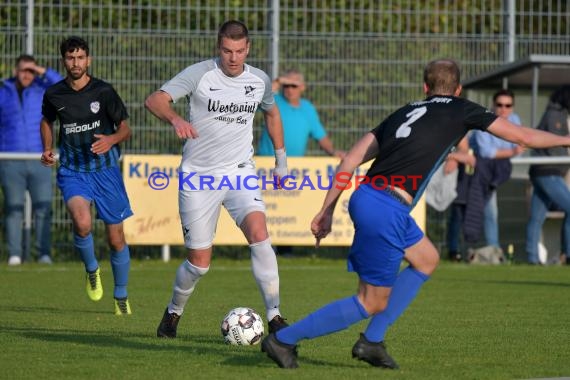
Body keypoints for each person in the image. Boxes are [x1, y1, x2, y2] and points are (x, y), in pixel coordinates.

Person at [260, 59, 570, 369]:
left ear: (425, 88)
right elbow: (524, 137)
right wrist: (565, 140)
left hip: (369, 198)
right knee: (371, 300)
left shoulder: (404, 112)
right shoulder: (463, 108)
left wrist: (327, 209)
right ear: (458, 90)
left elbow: (350, 160)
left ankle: (372, 342)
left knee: (426, 259)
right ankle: (283, 340)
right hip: (386, 207)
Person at [144, 20, 289, 338]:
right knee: (199, 263)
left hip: (239, 173)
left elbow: (272, 113)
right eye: (227, 50)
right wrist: (175, 117)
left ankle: (276, 317)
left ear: (248, 48)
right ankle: (173, 312)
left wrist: (281, 161)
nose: (233, 58)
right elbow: (155, 99)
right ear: (218, 47)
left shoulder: (259, 80)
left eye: (239, 51)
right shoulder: (200, 74)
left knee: (260, 234)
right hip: (198, 177)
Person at [40, 36, 133, 315]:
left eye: (80, 57)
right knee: (82, 223)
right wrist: (47, 148)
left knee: (116, 240)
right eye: (70, 58)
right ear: (64, 61)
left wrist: (112, 139)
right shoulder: (54, 94)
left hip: (105, 171)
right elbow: (46, 120)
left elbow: (126, 128)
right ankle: (92, 269)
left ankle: (121, 295)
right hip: (73, 171)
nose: (76, 63)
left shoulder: (103, 91)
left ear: (88, 60)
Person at [0, 54, 62, 266]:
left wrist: (42, 70)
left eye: (30, 70)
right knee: (13, 207)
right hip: (10, 159)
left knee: (44, 207)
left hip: (40, 158)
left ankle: (44, 253)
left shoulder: (42, 90)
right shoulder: (3, 91)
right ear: (15, 71)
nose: (26, 74)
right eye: (23, 70)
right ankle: (15, 254)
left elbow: (63, 85)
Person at [466, 89, 524, 248]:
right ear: (493, 105)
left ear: (512, 107)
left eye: (508, 105)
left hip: (497, 171)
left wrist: (509, 153)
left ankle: (492, 249)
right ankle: (490, 248)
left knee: (488, 211)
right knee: (481, 210)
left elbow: (520, 148)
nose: (503, 109)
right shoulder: (484, 119)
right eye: (499, 105)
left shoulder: (515, 119)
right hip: (475, 170)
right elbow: (486, 152)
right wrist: (511, 152)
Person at [526, 85, 570, 265]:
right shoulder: (555, 116)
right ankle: (568, 253)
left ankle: (532, 257)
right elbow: (553, 144)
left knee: (536, 217)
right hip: (547, 171)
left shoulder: (555, 114)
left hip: (544, 171)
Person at [257, 69, 346, 158]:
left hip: (295, 167)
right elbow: (256, 98)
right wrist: (278, 81)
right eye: (286, 85)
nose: (290, 89)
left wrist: (333, 151)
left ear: (302, 87)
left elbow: (321, 136)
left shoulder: (308, 108)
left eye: (294, 85)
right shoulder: (273, 101)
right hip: (267, 165)